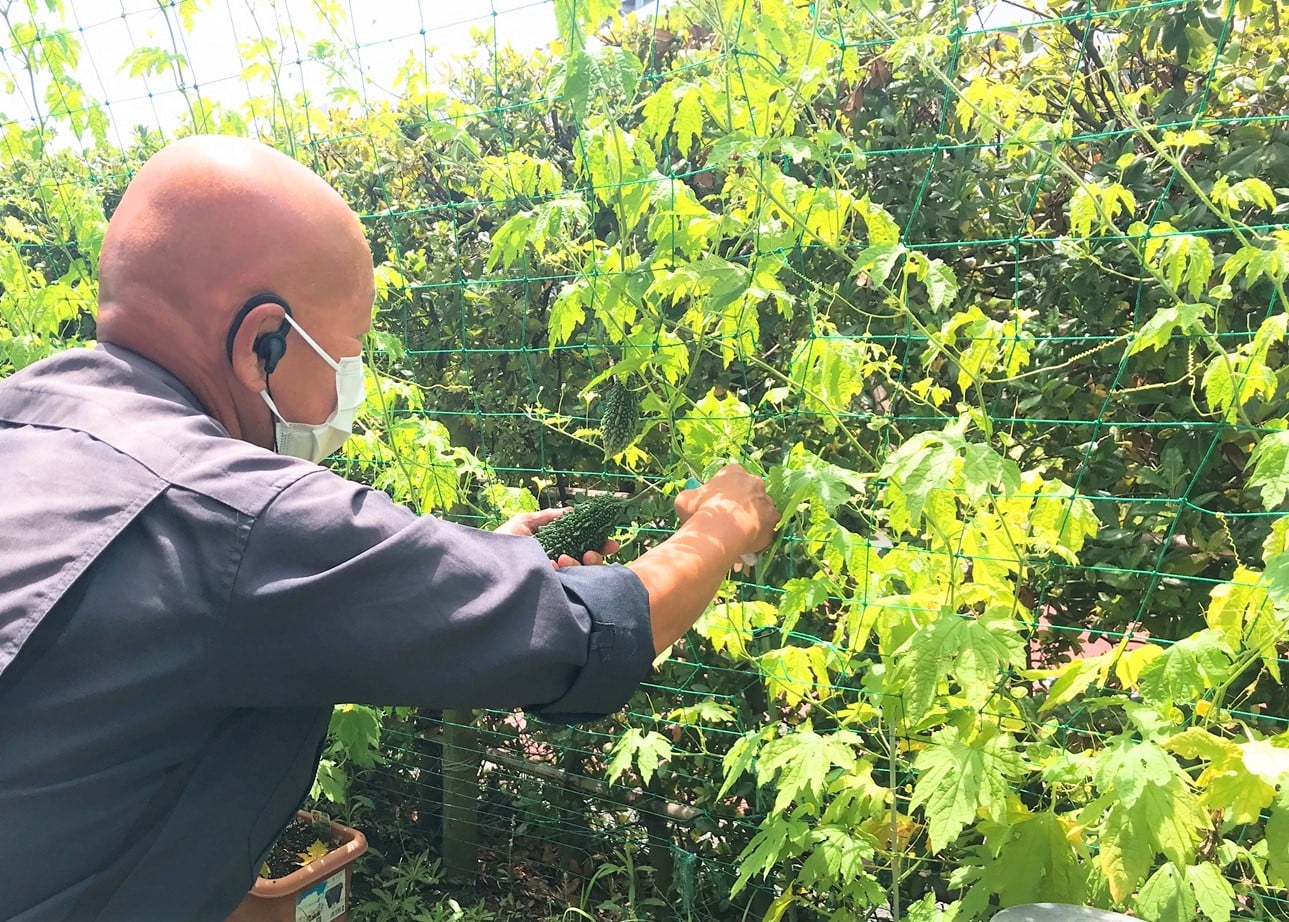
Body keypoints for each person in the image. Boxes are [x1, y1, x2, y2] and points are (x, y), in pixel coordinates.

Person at [0, 135, 780, 920]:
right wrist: (720, 526)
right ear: (261, 343)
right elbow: (587, 630)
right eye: (347, 360)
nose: (352, 393)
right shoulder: (237, 515)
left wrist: (483, 568)